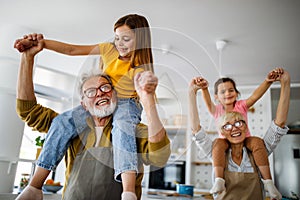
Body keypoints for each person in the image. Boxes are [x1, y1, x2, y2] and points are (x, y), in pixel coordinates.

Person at [14, 14, 154, 200]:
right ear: (83, 101)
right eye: (117, 38)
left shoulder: (142, 68)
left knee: (123, 128)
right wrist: (43, 45)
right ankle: (34, 186)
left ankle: (127, 192)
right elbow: (72, 50)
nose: (119, 43)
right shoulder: (109, 51)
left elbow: (156, 147)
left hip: (128, 104)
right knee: (63, 121)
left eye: (126, 39)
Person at [188, 69, 290, 199]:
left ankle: (268, 182)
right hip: (222, 143)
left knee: (256, 141)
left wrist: (274, 82)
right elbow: (196, 129)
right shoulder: (217, 151)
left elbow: (276, 120)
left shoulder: (258, 152)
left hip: (248, 141)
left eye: (239, 123)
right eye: (227, 125)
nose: (234, 129)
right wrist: (200, 90)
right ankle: (219, 180)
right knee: (218, 143)